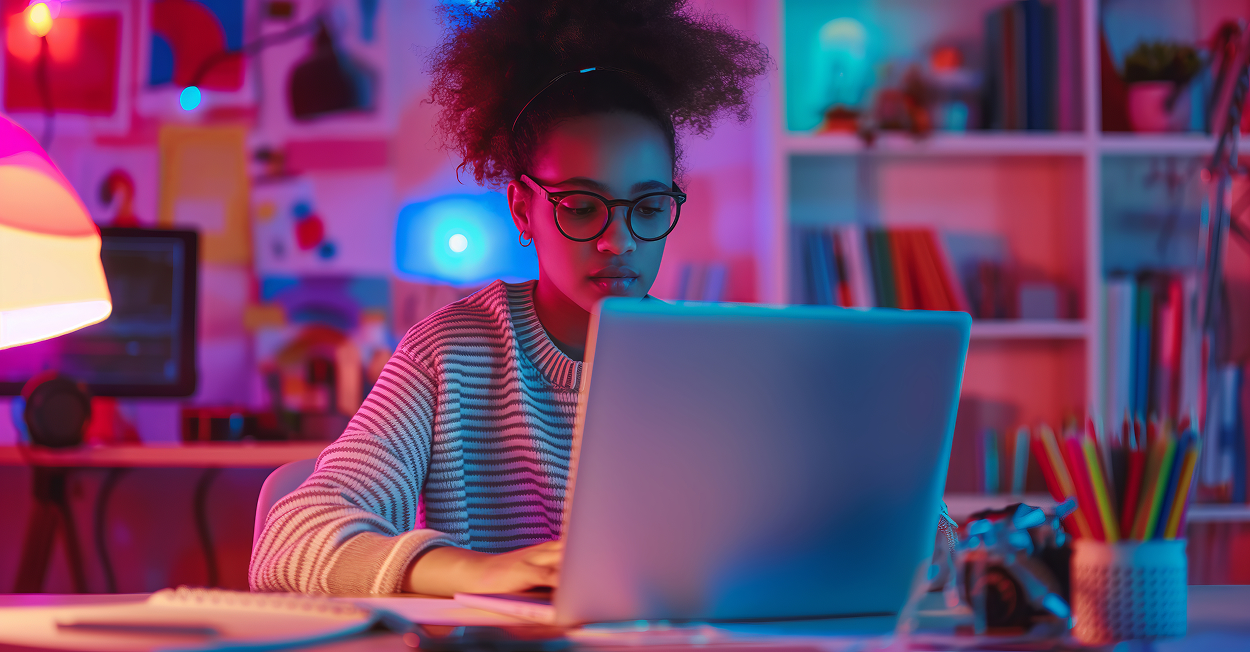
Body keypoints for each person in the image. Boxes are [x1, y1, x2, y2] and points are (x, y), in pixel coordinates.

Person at [249, 0, 768, 596]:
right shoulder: (450, 353)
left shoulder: (712, 363)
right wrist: (480, 571)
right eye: (580, 206)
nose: (618, 240)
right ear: (524, 208)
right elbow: (290, 539)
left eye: (648, 208)